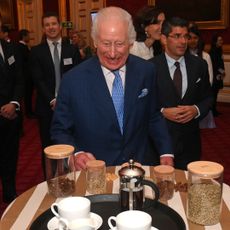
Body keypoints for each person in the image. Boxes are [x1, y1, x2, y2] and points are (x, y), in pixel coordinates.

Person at [51, 7, 173, 171]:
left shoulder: (146, 71)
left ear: (130, 42)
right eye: (106, 43)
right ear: (95, 41)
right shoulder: (72, 80)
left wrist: (166, 152)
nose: (113, 53)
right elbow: (60, 129)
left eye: (120, 44)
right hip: (94, 173)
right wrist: (77, 153)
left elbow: (153, 116)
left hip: (139, 169)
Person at [150, 17, 213, 170]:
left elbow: (208, 97)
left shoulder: (199, 64)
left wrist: (196, 110)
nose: (183, 41)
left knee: (187, 188)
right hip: (159, 145)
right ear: (164, 39)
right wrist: (162, 112)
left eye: (186, 36)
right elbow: (141, 104)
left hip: (190, 143)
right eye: (177, 36)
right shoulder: (149, 68)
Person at [30, 12, 81, 178]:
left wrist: (64, 101)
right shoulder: (36, 52)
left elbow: (77, 78)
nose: (51, 27)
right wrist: (53, 100)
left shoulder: (71, 50)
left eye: (54, 23)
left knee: (69, 144)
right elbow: (38, 79)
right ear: (44, 29)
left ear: (60, 26)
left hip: (70, 107)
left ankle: (69, 178)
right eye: (47, 25)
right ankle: (49, 182)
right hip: (46, 107)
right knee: (48, 146)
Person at [0, 15, 23, 203]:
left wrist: (14, 103)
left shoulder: (10, 47)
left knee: (10, 155)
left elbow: (19, 78)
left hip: (12, 115)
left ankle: (9, 191)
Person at [187, 25, 216, 129]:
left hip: (200, 99)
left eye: (195, 38)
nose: (192, 41)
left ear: (199, 39)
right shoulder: (181, 56)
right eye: (189, 38)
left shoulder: (205, 56)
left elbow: (210, 79)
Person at [18, 29, 35, 118]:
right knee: (27, 95)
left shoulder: (24, 46)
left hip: (26, 75)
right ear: (24, 36)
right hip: (26, 75)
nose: (29, 37)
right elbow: (28, 60)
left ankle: (29, 111)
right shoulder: (22, 47)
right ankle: (28, 112)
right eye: (28, 35)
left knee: (28, 94)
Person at [209, 34, 225, 116]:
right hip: (215, 76)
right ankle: (212, 110)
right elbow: (215, 65)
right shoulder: (213, 51)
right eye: (219, 40)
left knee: (215, 93)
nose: (221, 42)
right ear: (215, 42)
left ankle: (214, 109)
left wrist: (222, 72)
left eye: (221, 40)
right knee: (213, 94)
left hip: (218, 75)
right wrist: (222, 71)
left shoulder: (219, 50)